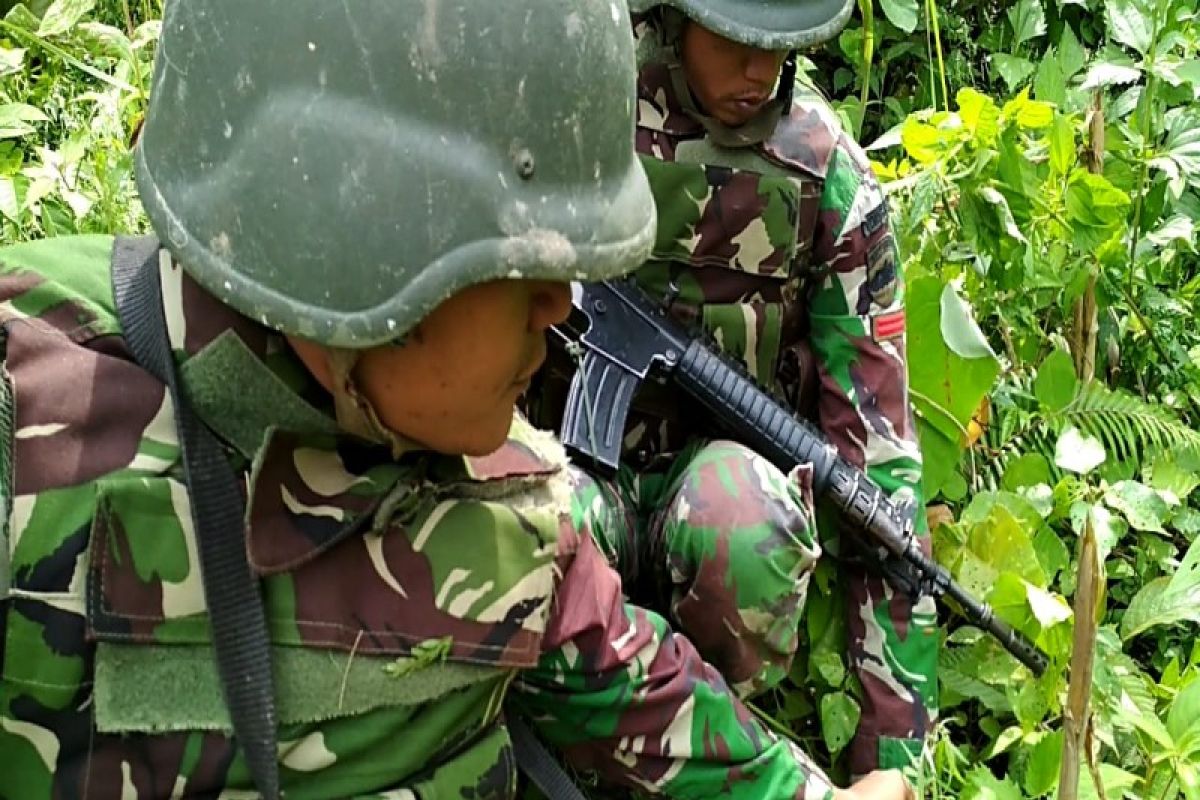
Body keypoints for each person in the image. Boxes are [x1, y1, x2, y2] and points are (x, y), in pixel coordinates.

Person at [0, 0, 914, 798]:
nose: (562, 307)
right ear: (367, 247)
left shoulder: (516, 532)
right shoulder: (28, 411)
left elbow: (665, 710)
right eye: (525, 264)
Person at [529, 0, 938, 779]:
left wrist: (895, 756)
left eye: (783, 48)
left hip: (723, 491)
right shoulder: (574, 113)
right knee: (533, 538)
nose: (761, 71)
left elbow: (876, 461)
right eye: (737, 42)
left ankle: (715, 741)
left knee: (748, 527)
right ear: (674, 18)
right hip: (565, 471)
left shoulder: (826, 178)